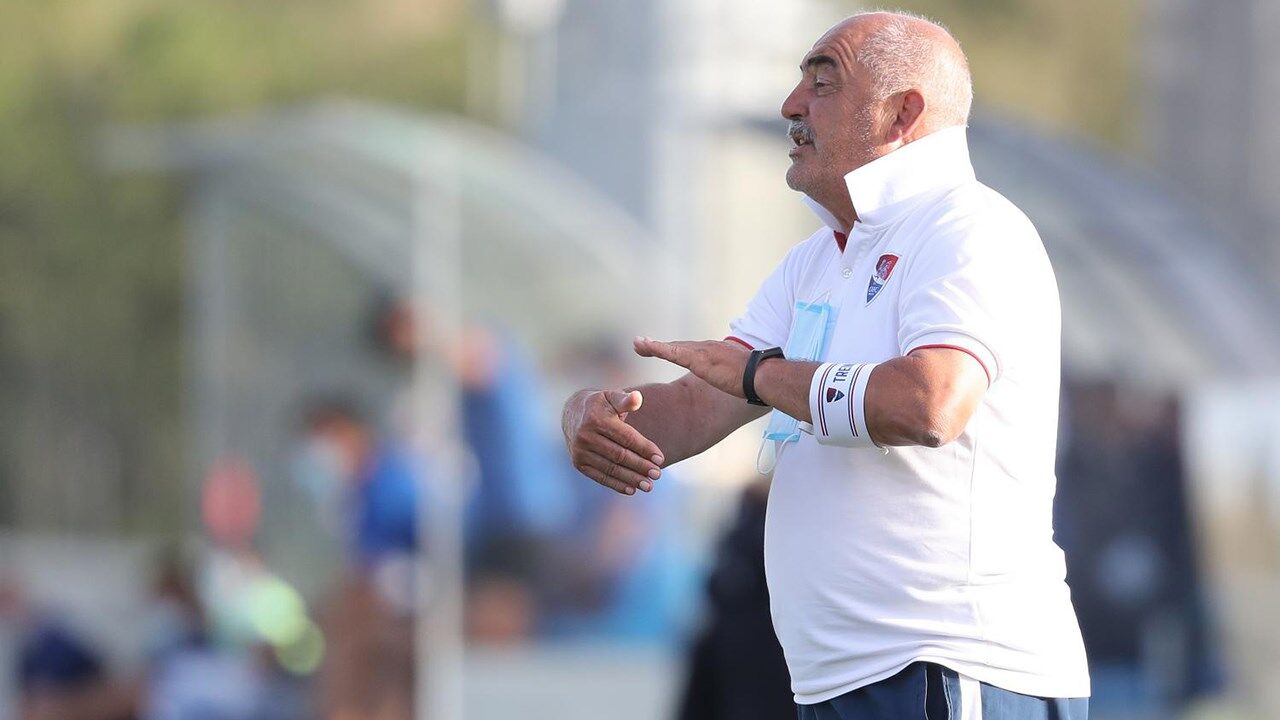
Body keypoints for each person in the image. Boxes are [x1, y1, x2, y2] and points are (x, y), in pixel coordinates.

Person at [561, 10, 1090, 719]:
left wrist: (760, 376)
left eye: (823, 82)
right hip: (839, 679)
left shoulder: (969, 226)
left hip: (951, 663)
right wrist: (590, 416)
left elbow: (928, 405)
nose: (791, 105)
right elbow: (695, 406)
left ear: (903, 113)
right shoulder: (815, 259)